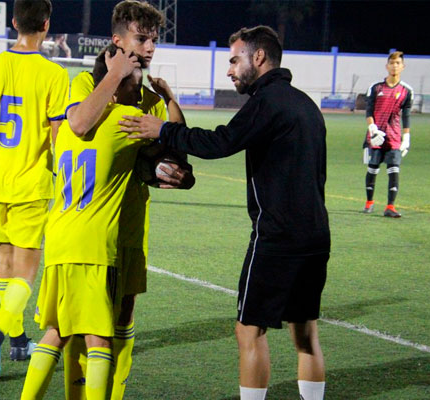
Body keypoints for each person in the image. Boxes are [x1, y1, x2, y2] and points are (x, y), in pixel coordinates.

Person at [121, 25, 330, 400]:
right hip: (316, 237)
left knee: (249, 330)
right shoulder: (306, 104)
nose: (230, 70)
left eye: (235, 60)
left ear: (259, 57)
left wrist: (163, 130)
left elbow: (220, 142)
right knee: (306, 333)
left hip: (276, 239)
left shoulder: (267, 102)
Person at [62, 2, 189, 399]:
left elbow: (174, 156)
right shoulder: (85, 84)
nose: (149, 47)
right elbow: (80, 124)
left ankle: (113, 393)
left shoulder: (152, 101)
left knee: (125, 311)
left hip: (132, 223)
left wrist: (170, 103)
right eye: (140, 38)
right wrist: (115, 75)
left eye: (153, 39)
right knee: (83, 322)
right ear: (117, 41)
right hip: (91, 223)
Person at [20, 45, 150, 400]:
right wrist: (168, 102)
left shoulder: (66, 129)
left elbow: (75, 129)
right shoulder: (124, 122)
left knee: (57, 330)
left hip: (59, 239)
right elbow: (170, 141)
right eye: (134, 85)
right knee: (98, 338)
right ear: (116, 84)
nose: (139, 94)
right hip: (93, 245)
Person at [0, 0, 69, 381]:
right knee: (26, 268)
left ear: (13, 23)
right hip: (30, 182)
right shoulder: (54, 74)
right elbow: (59, 134)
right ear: (45, 25)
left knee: (4, 260)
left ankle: (18, 337)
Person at [362, 51, 413, 218]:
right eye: (392, 63)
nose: (394, 66)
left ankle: (390, 206)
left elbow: (406, 115)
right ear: (387, 66)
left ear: (403, 66)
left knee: (394, 169)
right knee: (373, 169)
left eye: (398, 63)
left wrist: (406, 138)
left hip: (394, 137)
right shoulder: (376, 87)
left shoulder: (407, 91)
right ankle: (369, 202)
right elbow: (368, 111)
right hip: (376, 136)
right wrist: (372, 129)